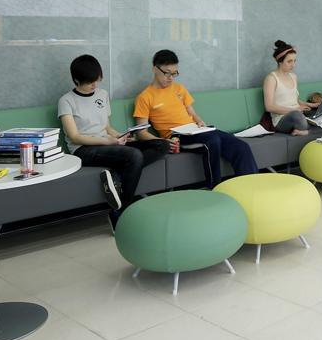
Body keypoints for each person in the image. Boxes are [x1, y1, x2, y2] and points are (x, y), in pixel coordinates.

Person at [58, 55, 170, 229]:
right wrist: (107, 142)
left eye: (97, 80)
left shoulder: (102, 94)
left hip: (107, 143)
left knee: (162, 145)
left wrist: (120, 136)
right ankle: (121, 212)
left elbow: (107, 127)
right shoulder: (66, 101)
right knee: (134, 155)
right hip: (84, 149)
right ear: (77, 80)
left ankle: (117, 176)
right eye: (89, 82)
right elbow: (74, 136)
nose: (94, 85)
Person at [133, 49, 257, 189]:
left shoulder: (179, 88)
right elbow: (141, 132)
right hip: (176, 136)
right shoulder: (145, 97)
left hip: (196, 130)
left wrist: (199, 121)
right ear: (155, 69)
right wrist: (162, 142)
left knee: (241, 146)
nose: (170, 78)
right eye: (167, 73)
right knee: (213, 141)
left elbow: (191, 112)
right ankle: (215, 187)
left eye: (174, 73)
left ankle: (251, 189)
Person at [262, 40, 322, 136]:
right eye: (289, 61)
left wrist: (312, 105)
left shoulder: (293, 76)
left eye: (294, 61)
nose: (293, 65)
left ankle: (307, 131)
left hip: (298, 113)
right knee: (297, 116)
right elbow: (269, 107)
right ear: (280, 61)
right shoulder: (271, 79)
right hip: (282, 119)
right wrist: (295, 110)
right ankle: (320, 129)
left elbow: (295, 100)